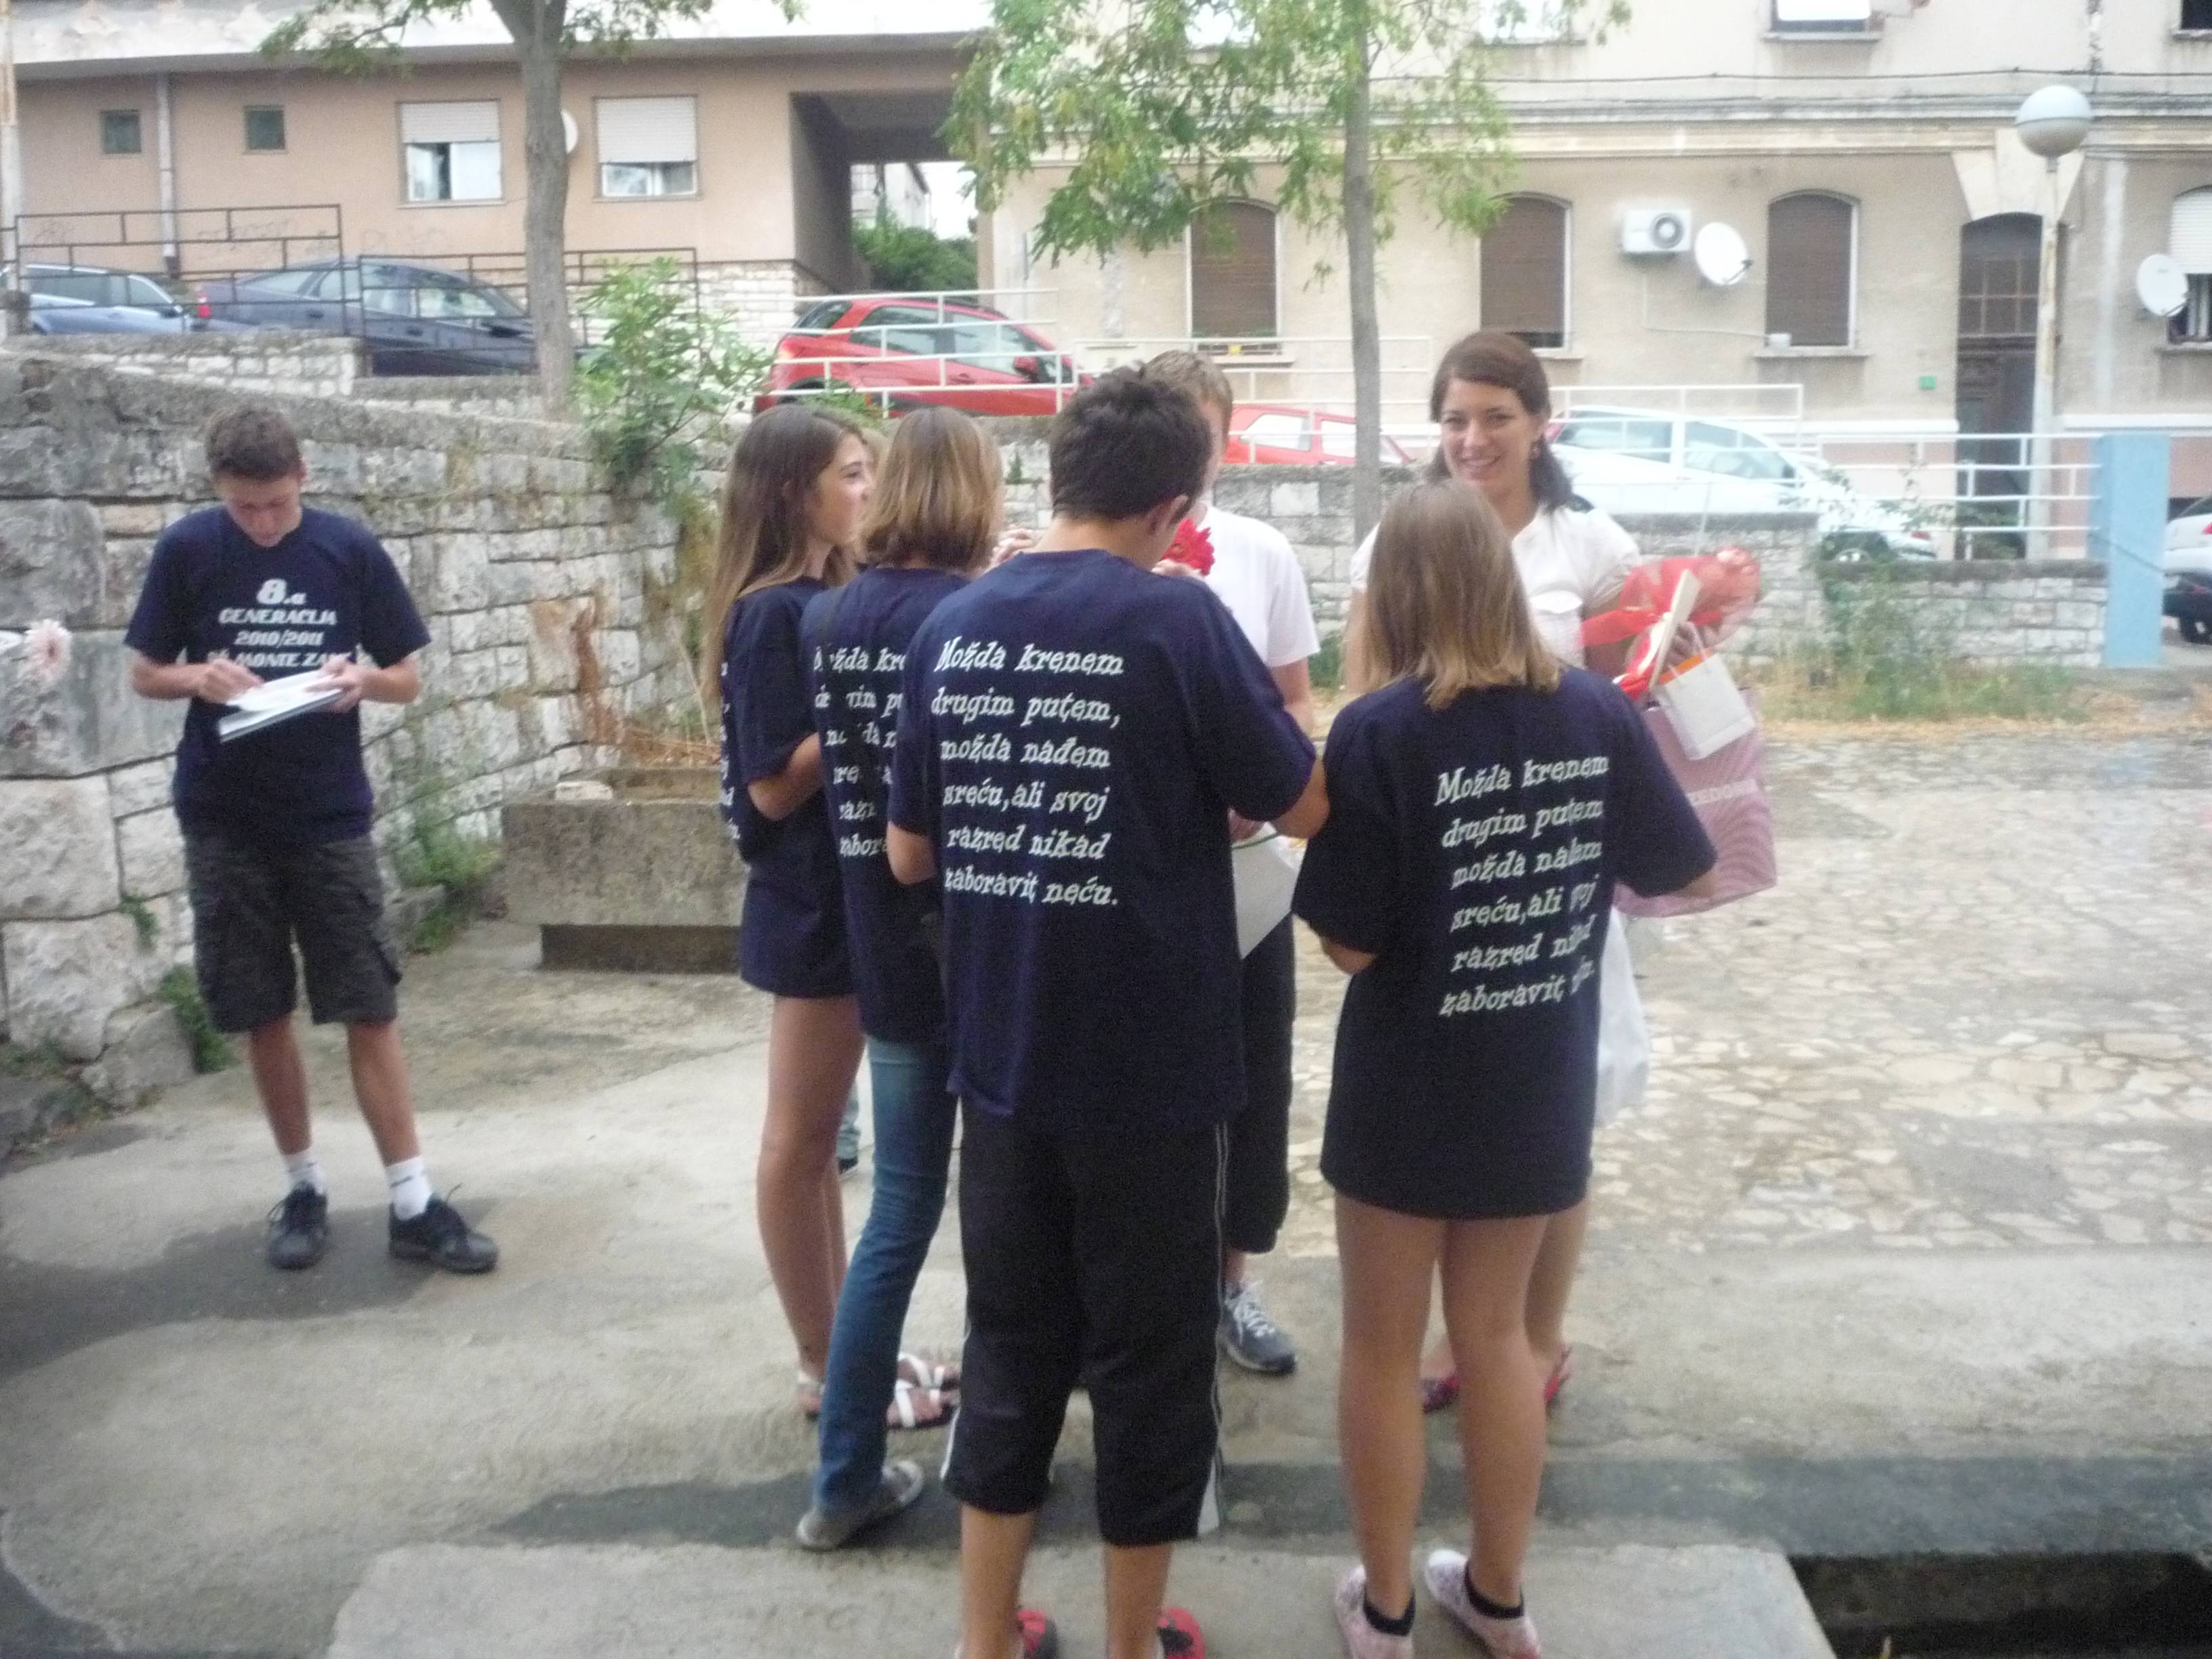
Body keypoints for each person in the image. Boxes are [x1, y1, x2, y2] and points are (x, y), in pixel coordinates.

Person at [886, 369, 1329, 1659]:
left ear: (1056, 476)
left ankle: (984, 1638)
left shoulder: (954, 625)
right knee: (1148, 1363)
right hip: (1152, 1070)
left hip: (1003, 1058)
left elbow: (909, 852)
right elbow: (1300, 800)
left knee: (1009, 1349)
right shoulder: (1177, 620)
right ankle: (1132, 1642)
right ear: (1174, 504)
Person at [1298, 483, 1717, 1659]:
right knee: (1497, 1340)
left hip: (1405, 1081)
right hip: (1536, 1073)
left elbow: (1350, 945)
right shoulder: (1593, 712)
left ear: (1393, 597)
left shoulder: (1379, 730)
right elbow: (1682, 870)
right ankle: (1495, 1594)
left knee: (1381, 1347)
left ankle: (1385, 1608)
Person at [1344, 329, 1652, 1415]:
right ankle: (1470, 1334)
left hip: (1552, 870)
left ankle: (1530, 1337)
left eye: (1495, 418)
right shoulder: (1399, 538)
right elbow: (1370, 685)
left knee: (1558, 1110)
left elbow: (1630, 696)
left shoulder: (1592, 545)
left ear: (1539, 425)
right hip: (1438, 864)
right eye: (1455, 419)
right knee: (1443, 1116)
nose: (1472, 439)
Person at [123, 402, 497, 1274]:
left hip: (328, 814)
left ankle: (413, 1201)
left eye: (277, 506)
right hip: (224, 815)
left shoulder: (347, 549)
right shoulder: (187, 549)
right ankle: (302, 1188)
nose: (261, 524)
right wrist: (198, 677)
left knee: (369, 1003)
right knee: (261, 1009)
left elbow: (406, 677)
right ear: (219, 490)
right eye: (244, 508)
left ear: (303, 477)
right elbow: (144, 671)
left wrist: (360, 680)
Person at [796, 407, 1001, 1550]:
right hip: (984, 948)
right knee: (1006, 1213)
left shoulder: (828, 615)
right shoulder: (966, 618)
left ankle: (842, 1477)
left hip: (881, 944)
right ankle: (1000, 1465)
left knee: (898, 1212)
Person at [1146, 350, 1321, 1377]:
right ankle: (1154, 1286)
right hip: (1143, 874)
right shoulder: (1106, 554)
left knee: (1257, 1073)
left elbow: (1293, 700)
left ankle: (1233, 1279)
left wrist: (1262, 783)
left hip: (1247, 865)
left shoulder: (1260, 553)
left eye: (1204, 435)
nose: (1190, 454)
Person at [706, 403, 872, 1417]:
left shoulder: (822, 597)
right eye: (849, 474)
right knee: (798, 1144)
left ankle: (846, 1348)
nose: (866, 490)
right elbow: (770, 787)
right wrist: (868, 701)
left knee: (818, 1154)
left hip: (833, 896)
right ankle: (823, 1365)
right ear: (789, 493)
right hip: (810, 901)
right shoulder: (776, 612)